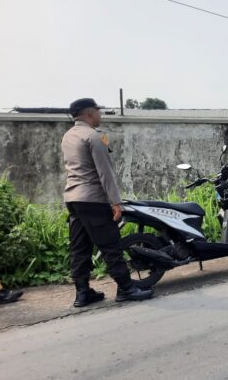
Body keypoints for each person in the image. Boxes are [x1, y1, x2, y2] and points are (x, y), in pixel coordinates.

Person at [62, 98, 154, 308]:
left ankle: (82, 293)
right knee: (110, 245)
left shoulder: (68, 136)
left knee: (80, 248)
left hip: (73, 199)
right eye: (97, 111)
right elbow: (106, 173)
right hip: (93, 200)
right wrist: (115, 202)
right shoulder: (95, 137)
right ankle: (126, 289)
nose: (100, 114)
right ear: (89, 113)